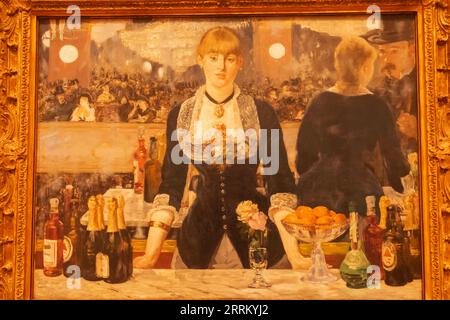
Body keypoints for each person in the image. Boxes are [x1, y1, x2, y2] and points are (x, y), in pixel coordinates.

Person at [134, 26, 309, 269]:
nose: (221, 67)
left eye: (229, 59)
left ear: (240, 62)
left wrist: (296, 255)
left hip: (257, 240)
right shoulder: (182, 115)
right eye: (213, 58)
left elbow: (279, 184)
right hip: (198, 240)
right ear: (201, 60)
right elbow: (172, 185)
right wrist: (151, 254)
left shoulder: (261, 113)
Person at [295, 36, 410, 216]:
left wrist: (312, 174)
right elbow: (394, 159)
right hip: (361, 190)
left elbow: (303, 157)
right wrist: (401, 178)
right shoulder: (377, 105)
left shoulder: (319, 101)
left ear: (338, 66)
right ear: (365, 67)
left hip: (317, 191)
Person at [362, 15, 417, 153]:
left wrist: (420, 131)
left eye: (394, 51)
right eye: (382, 52)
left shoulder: (434, 81)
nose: (386, 59)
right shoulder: (378, 91)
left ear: (412, 50)